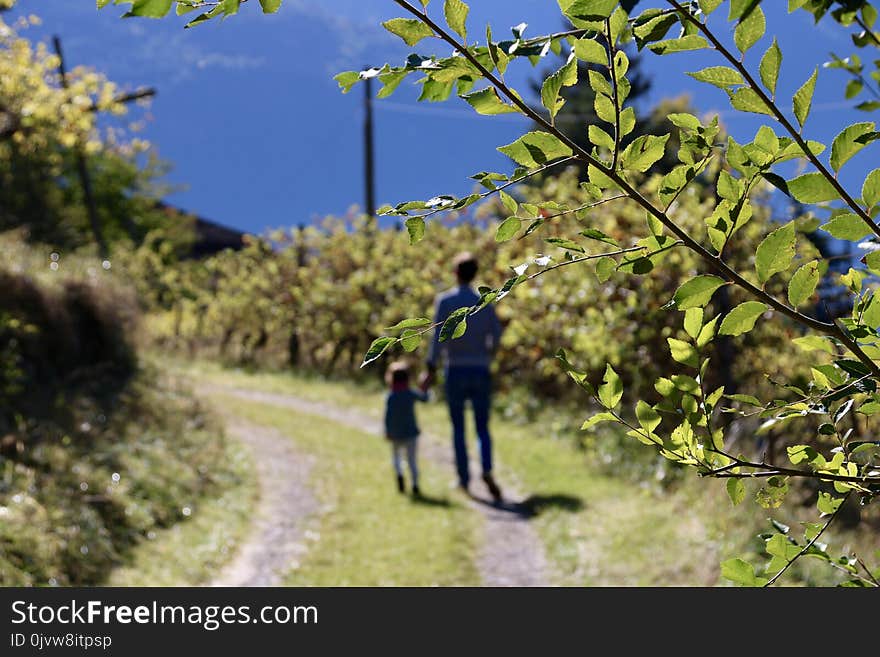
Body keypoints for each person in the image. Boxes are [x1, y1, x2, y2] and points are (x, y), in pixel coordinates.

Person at [424, 251, 504, 502]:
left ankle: (463, 478)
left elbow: (437, 341)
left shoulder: (445, 302)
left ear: (455, 273)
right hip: (480, 368)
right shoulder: (485, 301)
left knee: (458, 427)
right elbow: (497, 336)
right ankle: (487, 469)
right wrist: (487, 354)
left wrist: (430, 369)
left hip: (455, 369)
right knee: (482, 427)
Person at [383, 359, 430, 496]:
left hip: (395, 434)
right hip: (410, 433)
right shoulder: (410, 393)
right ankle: (415, 484)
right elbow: (425, 398)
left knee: (396, 457)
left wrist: (387, 431)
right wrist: (425, 385)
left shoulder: (391, 396)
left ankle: (399, 475)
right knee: (412, 460)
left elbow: (387, 416)